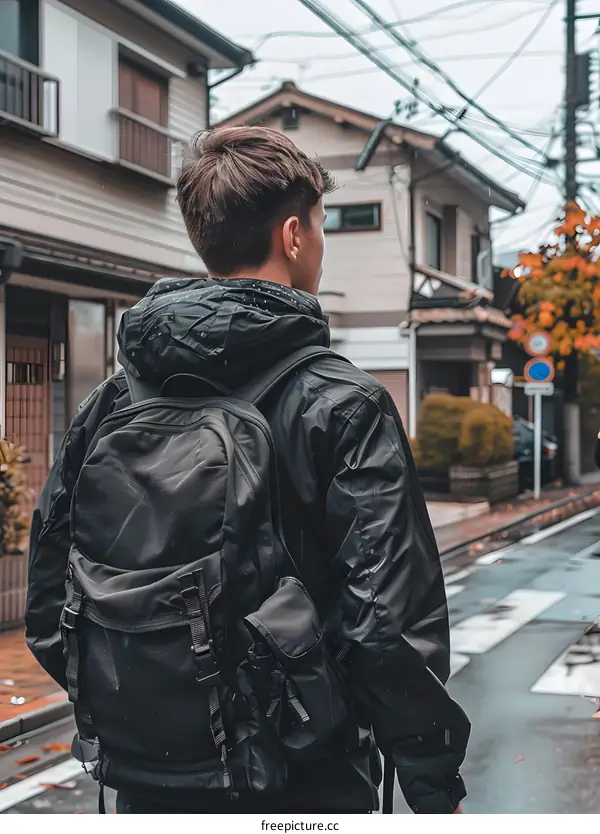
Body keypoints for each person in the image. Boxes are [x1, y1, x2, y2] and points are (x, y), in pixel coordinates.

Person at [25, 126, 470, 815]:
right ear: (292, 236)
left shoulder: (109, 403)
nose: (321, 245)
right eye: (321, 227)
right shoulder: (344, 403)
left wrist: (148, 709)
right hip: (304, 778)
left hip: (146, 779)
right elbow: (385, 624)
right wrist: (432, 778)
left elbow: (51, 591)